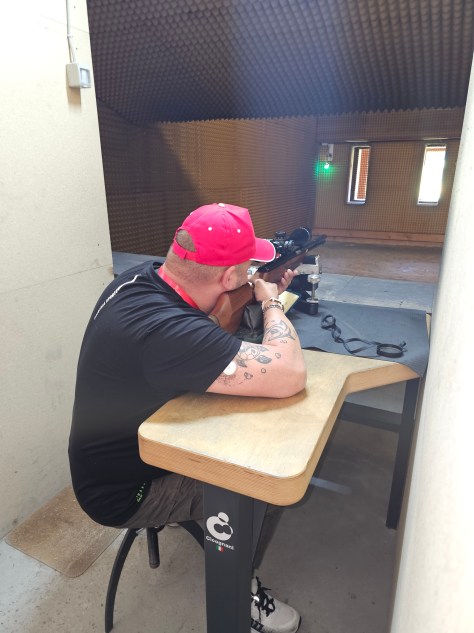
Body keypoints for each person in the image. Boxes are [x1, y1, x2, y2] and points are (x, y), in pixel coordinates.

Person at [69, 202, 307, 633]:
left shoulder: (138, 280)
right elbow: (288, 373)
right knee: (262, 483)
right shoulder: (166, 331)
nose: (250, 276)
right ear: (229, 278)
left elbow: (201, 334)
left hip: (118, 456)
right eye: (246, 270)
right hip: (124, 490)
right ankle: (240, 590)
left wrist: (246, 301)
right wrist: (272, 302)